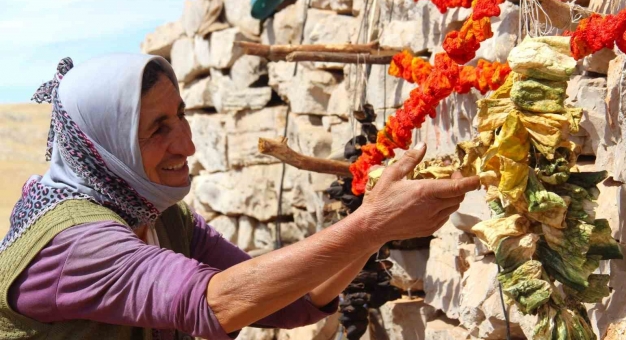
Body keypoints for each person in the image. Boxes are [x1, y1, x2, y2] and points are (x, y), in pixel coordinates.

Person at [0, 55, 479, 340]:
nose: (186, 145)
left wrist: (375, 228)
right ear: (104, 145)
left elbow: (285, 301)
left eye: (181, 116)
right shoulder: (71, 244)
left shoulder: (165, 220)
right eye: (156, 130)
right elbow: (214, 303)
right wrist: (372, 225)